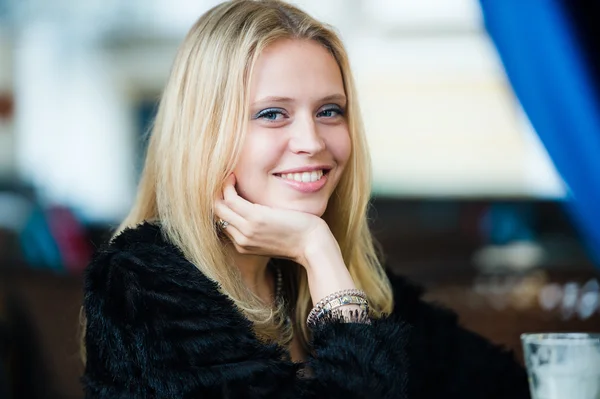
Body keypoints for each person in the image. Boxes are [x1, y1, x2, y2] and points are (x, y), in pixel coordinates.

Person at [81, 1, 531, 398]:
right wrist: (316, 248)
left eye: (329, 111)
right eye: (273, 114)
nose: (311, 141)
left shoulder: (327, 276)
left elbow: (500, 384)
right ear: (205, 133)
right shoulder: (139, 284)